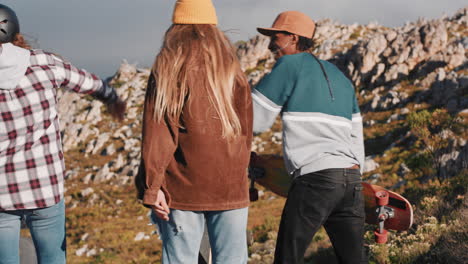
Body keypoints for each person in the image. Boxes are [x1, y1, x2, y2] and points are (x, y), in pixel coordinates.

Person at [0, 4, 125, 264]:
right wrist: (112, 99)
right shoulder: (43, 62)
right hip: (44, 186)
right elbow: (90, 83)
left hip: (1, 193)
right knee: (53, 259)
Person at [135, 0, 252, 263]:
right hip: (230, 185)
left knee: (181, 258)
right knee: (233, 259)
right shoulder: (231, 69)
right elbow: (245, 133)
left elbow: (159, 133)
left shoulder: (168, 66)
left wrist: (153, 187)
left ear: (176, 27)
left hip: (183, 186)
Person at [252, 11, 366, 264]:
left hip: (316, 180)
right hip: (351, 180)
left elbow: (256, 122)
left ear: (293, 38)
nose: (270, 44)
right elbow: (357, 138)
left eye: (275, 37)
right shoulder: (342, 79)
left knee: (287, 258)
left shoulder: (289, 65)